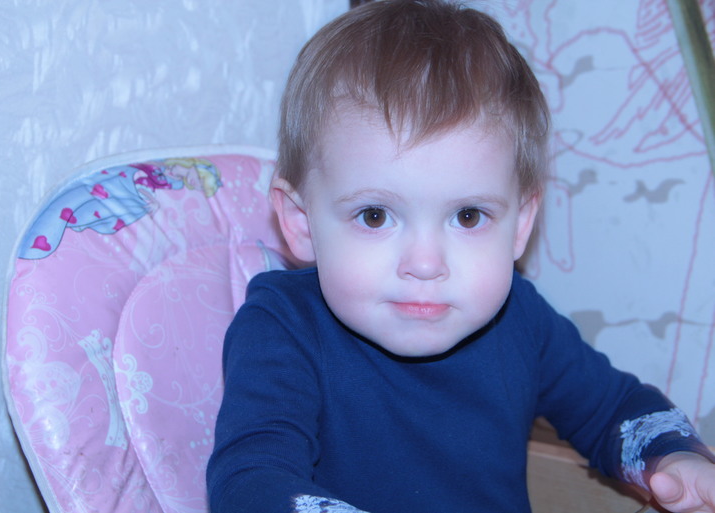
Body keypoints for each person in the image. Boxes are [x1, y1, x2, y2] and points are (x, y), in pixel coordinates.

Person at [206, 1, 715, 511]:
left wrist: (674, 460)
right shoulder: (283, 327)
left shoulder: (521, 318)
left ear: (520, 225)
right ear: (300, 222)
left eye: (468, 216)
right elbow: (251, 481)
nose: (426, 264)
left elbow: (615, 409)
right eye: (375, 216)